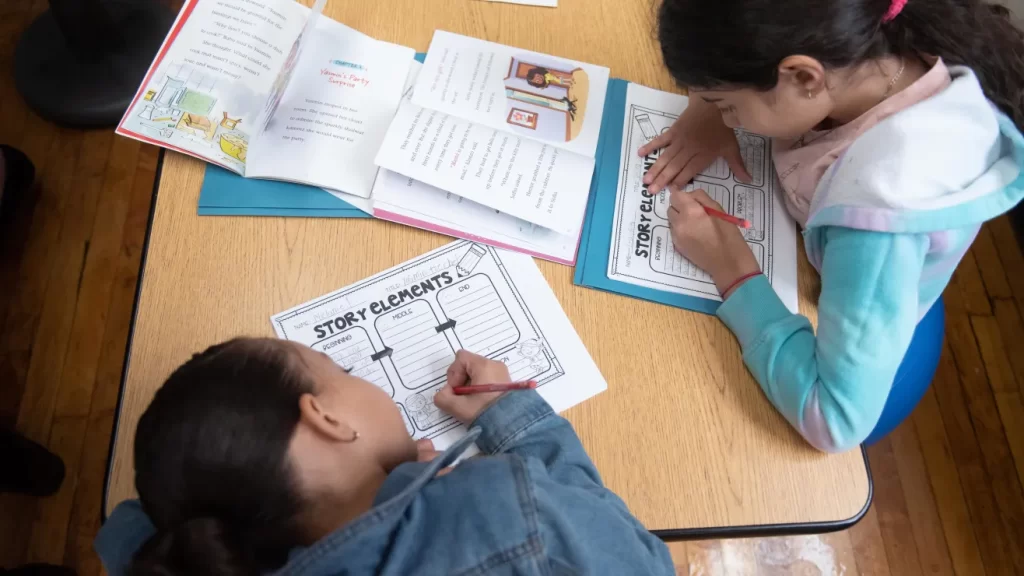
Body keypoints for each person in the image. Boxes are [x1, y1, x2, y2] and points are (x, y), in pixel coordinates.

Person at [640, 0, 1024, 452]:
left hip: (859, 349)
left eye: (725, 104)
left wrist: (733, 269)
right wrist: (708, 109)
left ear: (803, 76)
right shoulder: (865, 47)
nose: (725, 115)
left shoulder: (882, 220)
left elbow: (834, 419)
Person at [94, 338, 674, 575]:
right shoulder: (498, 507)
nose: (358, 376)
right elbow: (641, 559)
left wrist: (381, 491)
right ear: (326, 420)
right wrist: (510, 415)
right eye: (341, 371)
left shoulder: (165, 552)